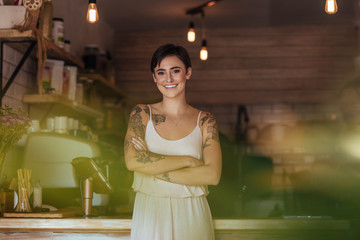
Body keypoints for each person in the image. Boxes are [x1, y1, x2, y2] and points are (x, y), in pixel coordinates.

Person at [124, 43, 222, 240]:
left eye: (175, 71)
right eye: (161, 72)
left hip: (192, 214)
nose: (168, 79)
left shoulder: (205, 120)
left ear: (188, 73)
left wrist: (151, 165)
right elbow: (132, 162)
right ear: (154, 77)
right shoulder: (141, 113)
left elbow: (212, 175)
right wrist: (188, 161)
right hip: (150, 214)